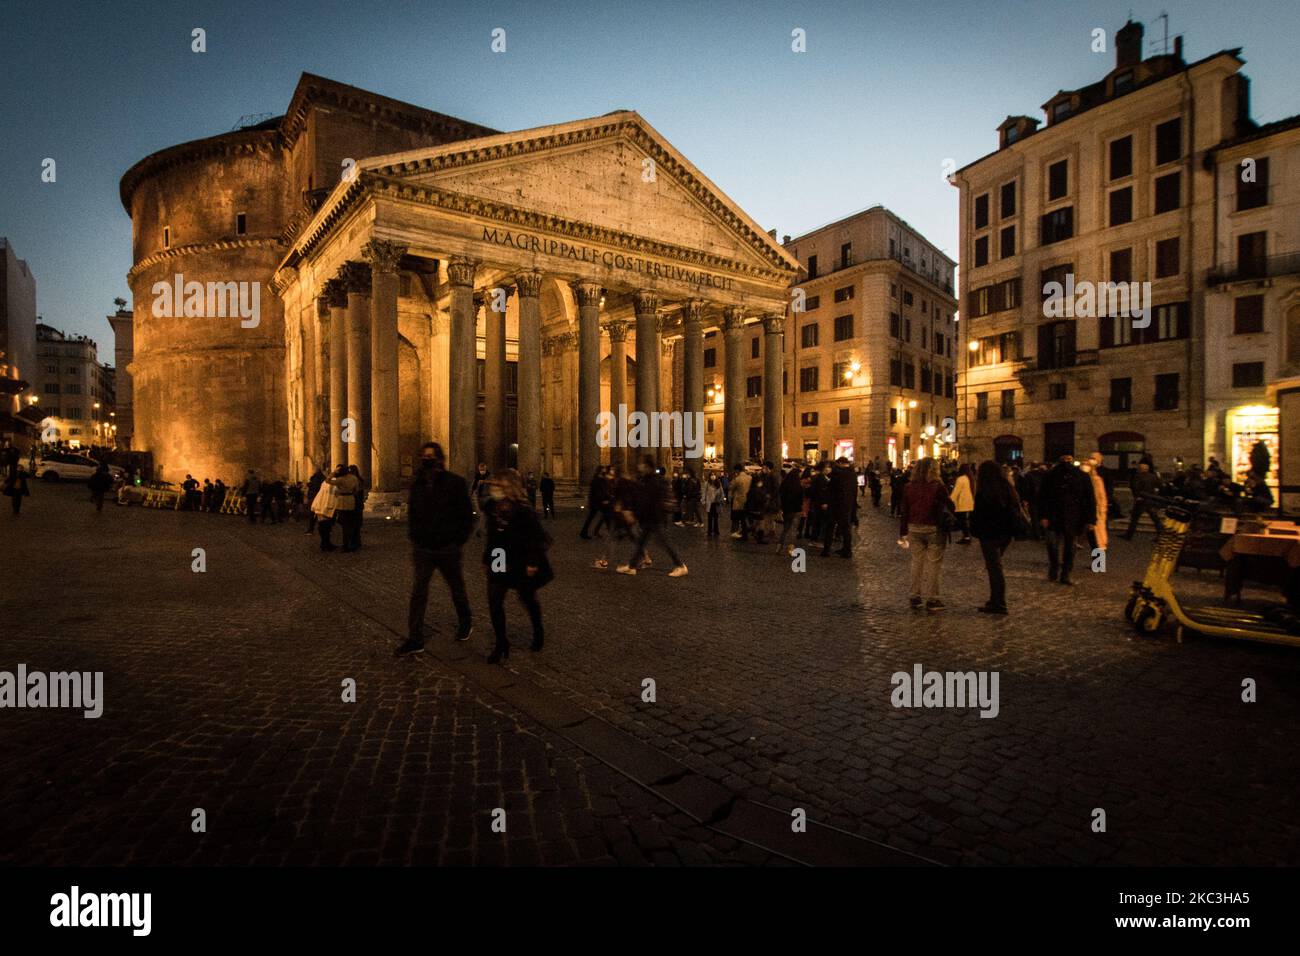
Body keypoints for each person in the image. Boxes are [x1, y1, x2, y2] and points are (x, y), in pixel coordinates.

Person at [398, 442, 475, 656]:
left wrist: (457, 540)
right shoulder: (418, 484)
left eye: (430, 456)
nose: (427, 459)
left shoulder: (455, 483)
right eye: (424, 456)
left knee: (456, 588)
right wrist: (415, 537)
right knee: (418, 593)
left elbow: (467, 515)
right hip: (423, 548)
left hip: (447, 547)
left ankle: (465, 621)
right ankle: (415, 639)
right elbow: (413, 513)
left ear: (439, 459)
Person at [481, 469, 552, 663]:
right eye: (494, 485)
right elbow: (492, 536)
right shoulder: (492, 507)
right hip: (499, 556)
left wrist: (532, 562)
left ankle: (538, 630)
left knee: (527, 598)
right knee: (494, 601)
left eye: (499, 485)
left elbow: (536, 538)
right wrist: (488, 560)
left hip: (520, 557)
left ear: (510, 487)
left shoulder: (524, 510)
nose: (494, 488)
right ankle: (501, 644)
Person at [618, 456, 688, 576]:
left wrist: (635, 513)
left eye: (641, 464)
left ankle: (680, 565)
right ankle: (632, 566)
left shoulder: (654, 481)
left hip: (654, 518)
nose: (639, 466)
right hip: (649, 517)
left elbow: (648, 500)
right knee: (641, 542)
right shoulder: (646, 479)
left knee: (664, 542)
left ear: (647, 466)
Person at [899, 457, 953, 611]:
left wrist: (903, 532)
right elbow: (950, 506)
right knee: (933, 564)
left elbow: (905, 510)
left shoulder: (909, 487)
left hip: (914, 527)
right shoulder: (938, 487)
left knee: (916, 562)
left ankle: (915, 596)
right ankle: (932, 598)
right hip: (933, 528)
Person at [971, 460, 1023, 614]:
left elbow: (978, 515)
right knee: (995, 566)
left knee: (994, 568)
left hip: (989, 534)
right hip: (1005, 533)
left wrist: (975, 530)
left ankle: (998, 602)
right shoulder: (1007, 488)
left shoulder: (984, 491)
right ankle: (996, 600)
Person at [1039, 455, 1096, 585]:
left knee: (1097, 544)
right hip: (1079, 516)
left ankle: (1099, 566)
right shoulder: (1083, 477)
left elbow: (1092, 498)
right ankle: (1099, 566)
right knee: (1094, 544)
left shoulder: (1084, 477)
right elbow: (1091, 498)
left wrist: (1093, 518)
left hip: (1083, 516)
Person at [821, 457, 857, 558]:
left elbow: (831, 489)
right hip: (847, 505)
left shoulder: (837, 474)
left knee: (830, 527)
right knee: (846, 529)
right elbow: (854, 491)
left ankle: (826, 550)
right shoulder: (852, 474)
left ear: (840, 463)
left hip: (835, 505)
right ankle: (847, 550)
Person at [326, 464, 361, 552]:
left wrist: (333, 472)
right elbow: (356, 489)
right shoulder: (354, 478)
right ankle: (352, 543)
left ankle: (346, 545)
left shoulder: (340, 479)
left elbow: (327, 480)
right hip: (351, 500)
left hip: (342, 501)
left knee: (344, 524)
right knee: (350, 523)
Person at [1122, 461, 1162, 539]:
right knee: (1155, 518)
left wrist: (1136, 496)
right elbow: (1160, 486)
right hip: (1150, 500)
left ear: (1140, 469)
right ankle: (1160, 534)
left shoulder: (1138, 476)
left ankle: (1129, 535)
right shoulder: (1153, 476)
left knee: (1134, 519)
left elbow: (1135, 487)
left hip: (1141, 500)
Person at [777, 463, 804, 554]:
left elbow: (780, 495)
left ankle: (779, 547)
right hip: (796, 510)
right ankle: (791, 549)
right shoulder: (798, 486)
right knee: (793, 530)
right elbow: (801, 499)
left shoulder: (785, 484)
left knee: (785, 529)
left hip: (786, 510)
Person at [1084, 452, 1109, 553]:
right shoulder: (1085, 480)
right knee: (1092, 538)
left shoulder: (1097, 480)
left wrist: (1102, 511)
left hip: (1095, 512)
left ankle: (1098, 565)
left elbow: (1101, 497)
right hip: (1088, 511)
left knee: (1096, 539)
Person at [310, 475, 339, 551]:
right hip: (326, 505)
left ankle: (325, 543)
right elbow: (335, 494)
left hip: (319, 504)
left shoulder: (325, 482)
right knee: (326, 526)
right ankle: (325, 544)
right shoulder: (335, 482)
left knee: (323, 525)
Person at [578, 465, 608, 539]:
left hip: (597, 502)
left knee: (593, 517)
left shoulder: (601, 479)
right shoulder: (596, 480)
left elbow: (604, 491)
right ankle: (587, 532)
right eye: (603, 469)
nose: (605, 470)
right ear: (600, 471)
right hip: (596, 502)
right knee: (593, 517)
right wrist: (603, 500)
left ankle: (586, 532)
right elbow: (597, 492)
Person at [950, 463, 975, 544]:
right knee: (964, 520)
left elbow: (956, 491)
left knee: (962, 521)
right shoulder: (969, 478)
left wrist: (950, 500)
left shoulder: (960, 479)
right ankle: (967, 536)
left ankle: (966, 536)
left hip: (962, 502)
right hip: (969, 502)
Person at [728, 464, 751, 539]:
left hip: (738, 501)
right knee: (744, 518)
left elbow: (731, 487)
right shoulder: (750, 478)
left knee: (736, 517)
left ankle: (736, 532)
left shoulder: (737, 479)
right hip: (747, 500)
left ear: (737, 470)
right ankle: (745, 532)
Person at [703, 472, 724, 537]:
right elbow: (704, 492)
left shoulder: (718, 483)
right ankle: (709, 531)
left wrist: (721, 499)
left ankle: (716, 531)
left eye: (714, 475)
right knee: (709, 518)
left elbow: (721, 492)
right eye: (711, 475)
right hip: (710, 503)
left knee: (716, 518)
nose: (713, 476)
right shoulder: (707, 483)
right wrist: (703, 501)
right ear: (709, 476)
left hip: (716, 503)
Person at [305, 466, 325, 534]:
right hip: (318, 497)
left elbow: (315, 486)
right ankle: (323, 529)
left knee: (313, 514)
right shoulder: (322, 477)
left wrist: (309, 484)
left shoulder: (316, 477)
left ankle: (312, 529)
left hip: (315, 497)